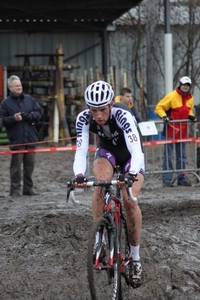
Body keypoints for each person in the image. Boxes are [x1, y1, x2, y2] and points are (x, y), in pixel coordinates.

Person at [73, 80, 145, 288]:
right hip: (107, 152)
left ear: (111, 105)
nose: (98, 115)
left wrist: (131, 174)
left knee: (129, 200)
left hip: (131, 155)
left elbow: (136, 150)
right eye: (93, 110)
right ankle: (99, 241)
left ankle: (136, 258)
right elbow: (80, 149)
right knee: (99, 184)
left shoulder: (123, 115)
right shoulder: (84, 118)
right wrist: (78, 174)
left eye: (102, 110)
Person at [1, 75, 42, 197]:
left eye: (20, 85)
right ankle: (15, 190)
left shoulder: (30, 99)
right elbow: (2, 120)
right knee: (16, 168)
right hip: (17, 140)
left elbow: (39, 113)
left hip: (31, 138)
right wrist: (13, 118)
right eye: (16, 86)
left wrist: (30, 116)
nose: (19, 87)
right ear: (10, 88)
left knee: (29, 166)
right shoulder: (5, 104)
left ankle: (28, 189)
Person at [155, 76, 197, 187]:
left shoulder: (190, 98)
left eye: (187, 85)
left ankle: (181, 178)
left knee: (182, 156)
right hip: (171, 130)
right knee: (168, 156)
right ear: (180, 84)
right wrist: (165, 117)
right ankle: (167, 179)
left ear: (189, 87)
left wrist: (191, 116)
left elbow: (189, 110)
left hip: (183, 132)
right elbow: (159, 107)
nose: (185, 87)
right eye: (184, 84)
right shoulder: (172, 96)